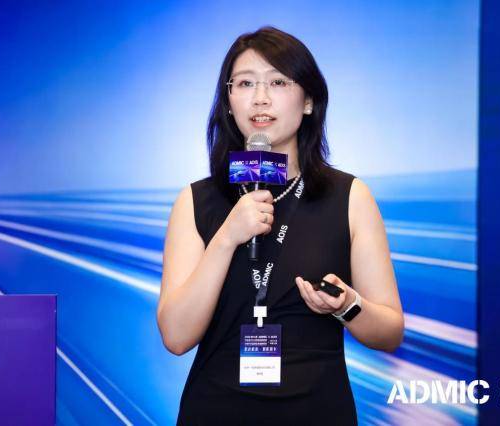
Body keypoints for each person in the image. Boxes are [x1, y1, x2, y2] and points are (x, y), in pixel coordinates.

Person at [157, 26, 404, 425]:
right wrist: (227, 237)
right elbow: (176, 336)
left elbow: (390, 332)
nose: (260, 97)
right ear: (228, 101)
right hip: (216, 410)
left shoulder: (350, 197)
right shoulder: (195, 201)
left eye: (277, 82)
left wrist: (347, 306)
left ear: (308, 101)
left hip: (318, 412)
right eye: (245, 83)